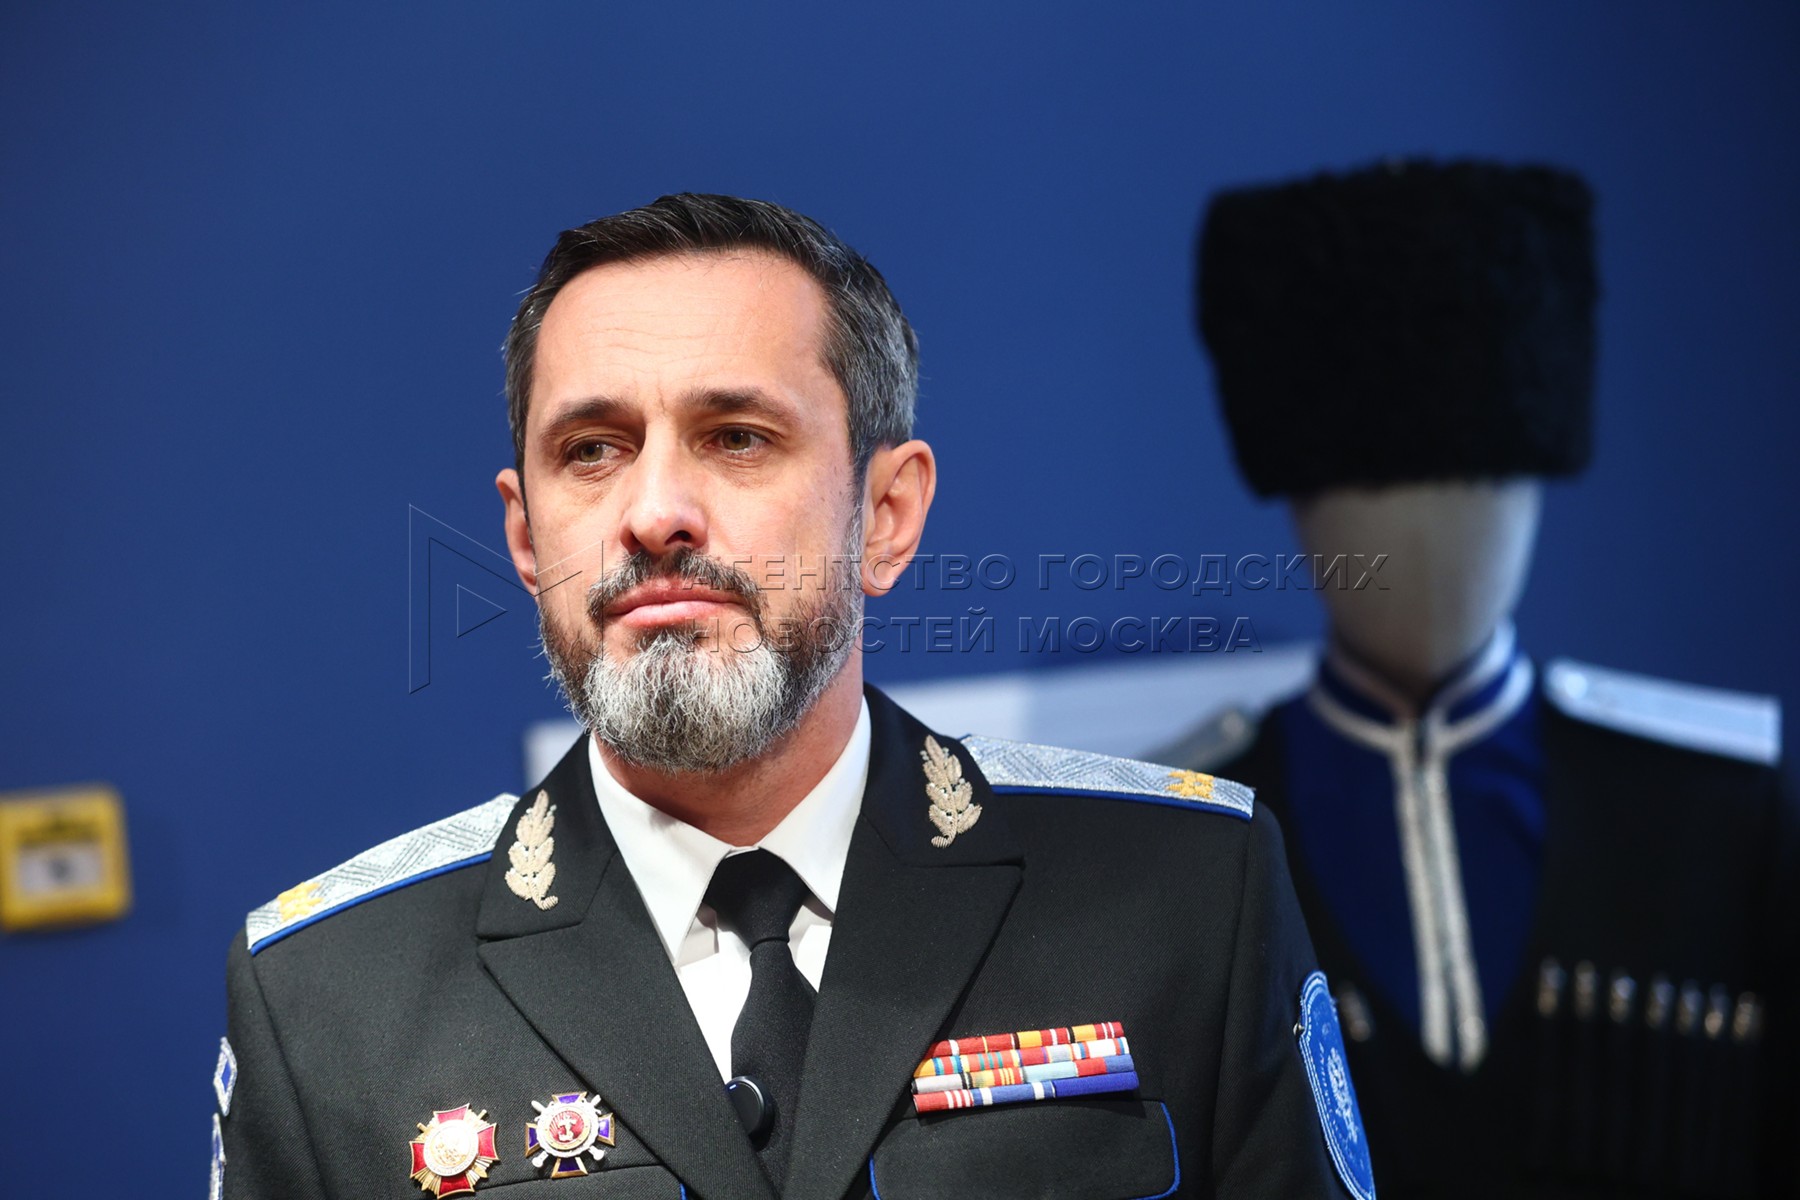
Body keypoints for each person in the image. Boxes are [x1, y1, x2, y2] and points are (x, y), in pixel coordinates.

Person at [211, 194, 1374, 1200]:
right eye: (592, 450)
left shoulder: (1187, 894)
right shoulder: (325, 1000)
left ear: (887, 515)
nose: (654, 512)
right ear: (524, 537)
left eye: (736, 437)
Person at [1159, 160, 1797, 1198]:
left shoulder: (1718, 815)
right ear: (1298, 499)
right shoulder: (1193, 836)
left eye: (1479, 476)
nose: (1423, 537)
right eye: (1364, 482)